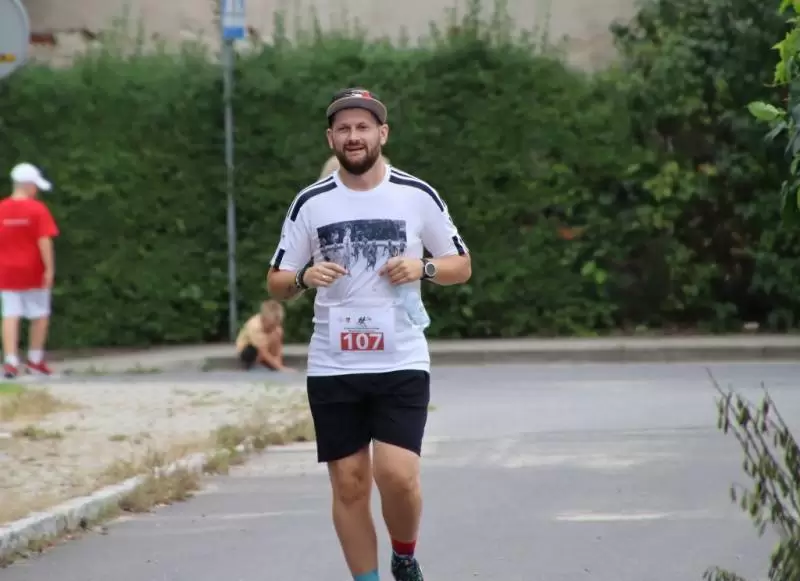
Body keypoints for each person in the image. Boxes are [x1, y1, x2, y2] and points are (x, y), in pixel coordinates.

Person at [266, 88, 471, 581]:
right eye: (344, 129)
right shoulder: (310, 202)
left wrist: (422, 267)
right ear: (330, 138)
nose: (353, 136)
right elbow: (276, 279)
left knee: (397, 476)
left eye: (362, 127)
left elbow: (461, 265)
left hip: (400, 358)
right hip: (333, 362)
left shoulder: (416, 194)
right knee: (350, 484)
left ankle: (404, 554)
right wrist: (303, 278)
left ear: (382, 133)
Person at [0, 163, 59, 379]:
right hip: (34, 271)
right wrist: (49, 269)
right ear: (28, 185)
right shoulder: (38, 210)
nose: (36, 190)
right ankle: (35, 361)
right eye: (35, 186)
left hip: (6, 271)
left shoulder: (1, 208)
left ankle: (10, 362)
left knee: (10, 315)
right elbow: (44, 241)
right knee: (40, 315)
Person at [234, 299, 292, 371]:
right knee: (253, 350)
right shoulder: (255, 326)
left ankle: (269, 364)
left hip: (264, 348)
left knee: (276, 334)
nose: (273, 328)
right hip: (249, 350)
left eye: (276, 325)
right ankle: (253, 365)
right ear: (263, 319)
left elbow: (278, 348)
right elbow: (262, 351)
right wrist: (280, 368)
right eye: (271, 325)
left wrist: (278, 363)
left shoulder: (276, 327)